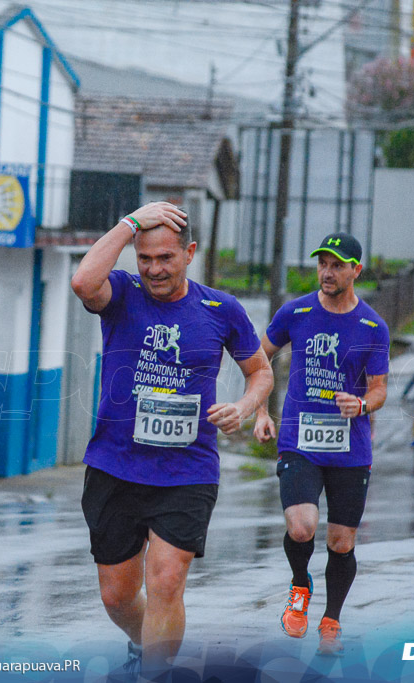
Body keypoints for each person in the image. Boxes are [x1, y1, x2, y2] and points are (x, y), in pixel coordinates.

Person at [70, 202, 274, 678]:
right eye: (145, 258)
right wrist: (129, 223)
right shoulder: (121, 293)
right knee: (117, 595)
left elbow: (260, 371)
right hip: (114, 463)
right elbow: (82, 282)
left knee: (165, 581)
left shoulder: (221, 309)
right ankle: (147, 646)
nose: (154, 269)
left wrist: (243, 408)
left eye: (165, 258)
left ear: (189, 254)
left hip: (188, 469)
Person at [254, 232, 390, 657]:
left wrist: (363, 403)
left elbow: (380, 389)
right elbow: (257, 360)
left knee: (341, 542)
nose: (327, 272)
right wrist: (260, 412)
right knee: (301, 526)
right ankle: (299, 586)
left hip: (350, 449)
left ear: (356, 271)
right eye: (323, 264)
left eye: (337, 265)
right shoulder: (296, 312)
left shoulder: (373, 326)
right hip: (300, 440)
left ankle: (331, 618)